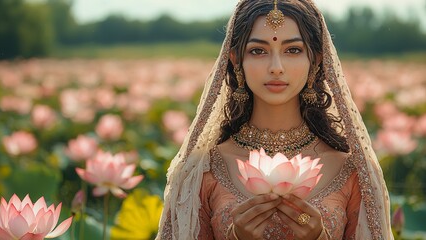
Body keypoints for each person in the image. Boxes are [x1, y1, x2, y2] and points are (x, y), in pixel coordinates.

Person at [156, 0, 394, 239]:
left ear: (316, 60)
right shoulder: (204, 170)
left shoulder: (352, 170)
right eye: (258, 51)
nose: (276, 67)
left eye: (293, 50)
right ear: (237, 60)